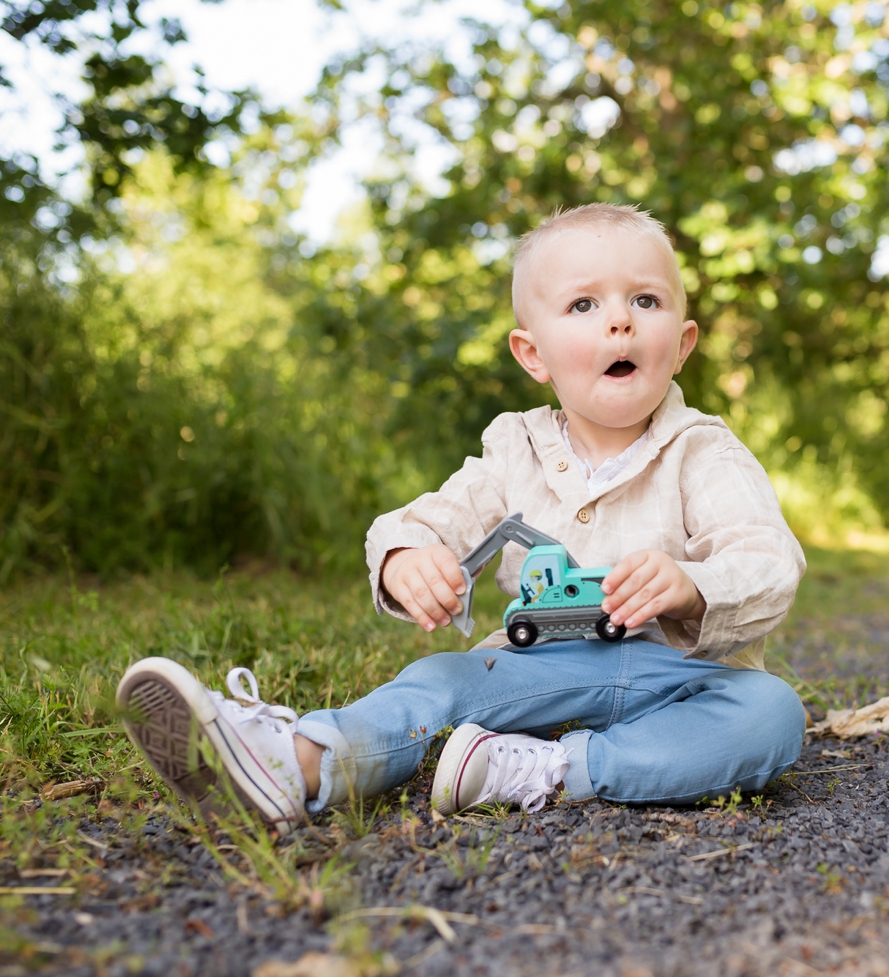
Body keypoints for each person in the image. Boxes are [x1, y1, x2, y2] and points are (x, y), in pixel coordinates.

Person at [116, 204, 807, 834]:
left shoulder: (704, 448)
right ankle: (294, 760)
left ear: (682, 343)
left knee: (771, 715)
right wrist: (405, 557)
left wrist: (690, 584)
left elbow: (767, 560)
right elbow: (427, 520)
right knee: (439, 681)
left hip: (679, 676)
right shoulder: (514, 449)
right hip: (541, 669)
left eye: (645, 300)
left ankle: (542, 769)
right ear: (532, 353)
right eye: (584, 304)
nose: (619, 320)